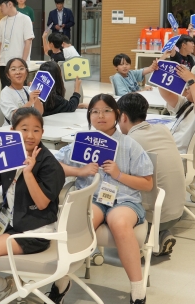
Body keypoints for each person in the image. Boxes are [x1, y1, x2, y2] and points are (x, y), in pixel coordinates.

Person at [51, 94, 153, 304]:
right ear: (89, 115)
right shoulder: (81, 142)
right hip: (93, 200)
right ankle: (62, 281)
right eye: (95, 111)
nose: (101, 116)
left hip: (124, 200)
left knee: (119, 222)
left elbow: (147, 183)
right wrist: (79, 171)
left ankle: (137, 289)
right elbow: (53, 164)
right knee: (80, 225)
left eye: (107, 110)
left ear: (117, 114)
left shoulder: (129, 145)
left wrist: (119, 175)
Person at [0, 107, 65, 304]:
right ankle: (4, 286)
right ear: (12, 132)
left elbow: (42, 203)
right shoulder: (8, 156)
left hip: (34, 230)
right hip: (9, 225)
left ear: (42, 133)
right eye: (24, 129)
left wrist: (28, 173)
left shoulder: (49, 164)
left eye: (36, 130)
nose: (30, 135)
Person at [117, 93, 185, 257]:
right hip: (178, 211)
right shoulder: (163, 129)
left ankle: (145, 238)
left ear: (123, 117)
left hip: (154, 214)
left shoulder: (129, 142)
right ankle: (159, 235)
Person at [155, 61, 195, 154]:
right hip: (171, 149)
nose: (187, 89)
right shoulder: (188, 104)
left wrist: (192, 80)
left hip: (179, 155)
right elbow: (167, 94)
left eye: (190, 86)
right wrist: (159, 71)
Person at [0, 0, 34, 89]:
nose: (0, 9)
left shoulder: (25, 19)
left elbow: (28, 42)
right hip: (4, 64)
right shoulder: (2, 22)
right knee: (6, 92)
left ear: (9, 4)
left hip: (18, 65)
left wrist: (23, 62)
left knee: (19, 92)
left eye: (1, 6)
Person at [0, 58, 43, 124]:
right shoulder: (5, 93)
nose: (18, 72)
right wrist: (30, 102)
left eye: (21, 68)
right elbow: (14, 117)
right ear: (8, 75)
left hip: (30, 125)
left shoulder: (28, 89)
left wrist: (35, 97)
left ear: (26, 73)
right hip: (13, 128)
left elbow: (40, 113)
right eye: (13, 69)